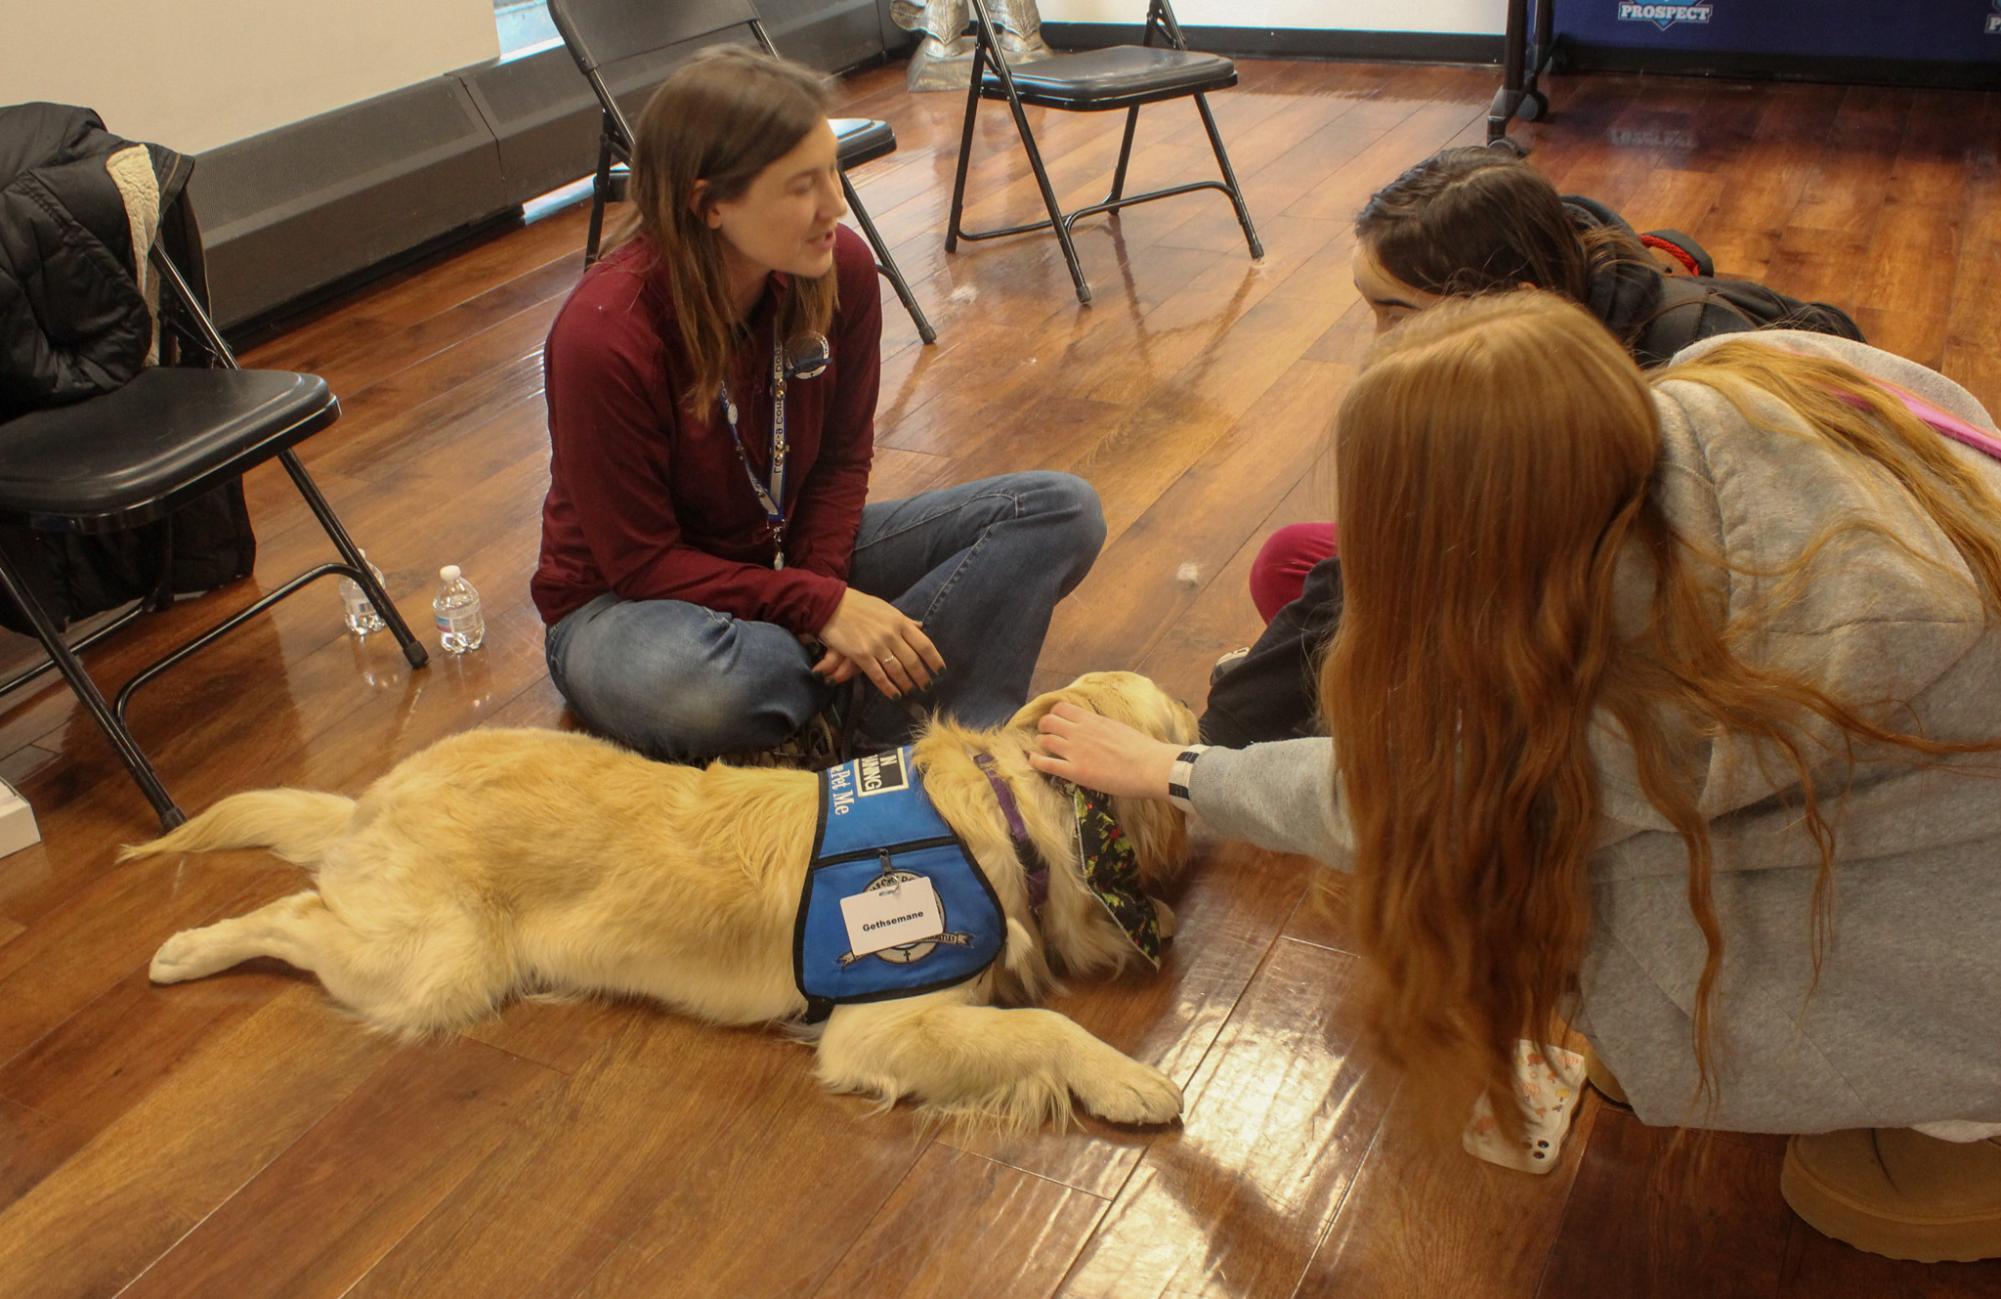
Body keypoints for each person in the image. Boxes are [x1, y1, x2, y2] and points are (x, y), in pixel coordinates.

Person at [1034, 293, 2001, 1263]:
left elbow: (1394, 807)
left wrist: (1170, 767)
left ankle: (1963, 1129)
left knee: (1831, 1176)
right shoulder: (1758, 368)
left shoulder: (1625, 709)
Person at [532, 47, 1104, 763]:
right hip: (626, 605)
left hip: (783, 556)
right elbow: (642, 563)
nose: (835, 204)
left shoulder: (841, 269)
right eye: (802, 185)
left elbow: (838, 461)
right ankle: (911, 708)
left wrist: (822, 587)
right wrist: (823, 609)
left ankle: (877, 733)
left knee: (1060, 510)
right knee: (723, 683)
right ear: (707, 203)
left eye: (831, 170)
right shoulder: (603, 335)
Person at [1205, 145, 1863, 749]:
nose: (1377, 345)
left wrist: (1207, 741)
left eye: (1397, 313)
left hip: (1702, 645)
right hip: (1567, 580)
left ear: (1510, 304)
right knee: (1288, 560)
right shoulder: (1539, 317)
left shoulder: (1659, 396)